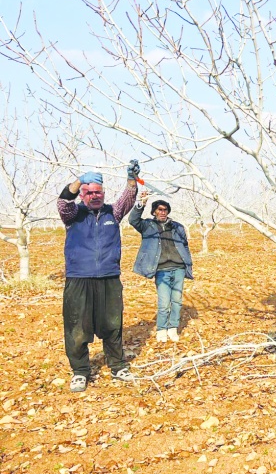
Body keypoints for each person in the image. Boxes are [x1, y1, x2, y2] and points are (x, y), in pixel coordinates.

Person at [57, 161, 140, 392]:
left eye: (98, 192)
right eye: (89, 192)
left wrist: (132, 179)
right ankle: (80, 372)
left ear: (103, 194)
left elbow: (128, 198)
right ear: (83, 194)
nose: (95, 196)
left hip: (109, 277)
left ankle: (117, 366)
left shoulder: (112, 213)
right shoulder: (73, 215)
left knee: (112, 324)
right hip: (78, 278)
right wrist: (80, 180)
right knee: (77, 328)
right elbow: (63, 202)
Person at [129, 192, 194, 343]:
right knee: (164, 302)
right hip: (161, 270)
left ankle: (173, 328)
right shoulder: (147, 226)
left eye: (165, 210)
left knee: (177, 301)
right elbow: (133, 220)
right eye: (159, 210)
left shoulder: (177, 227)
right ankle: (161, 329)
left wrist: (187, 262)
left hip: (178, 268)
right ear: (154, 212)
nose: (162, 212)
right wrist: (142, 203)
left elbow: (184, 244)